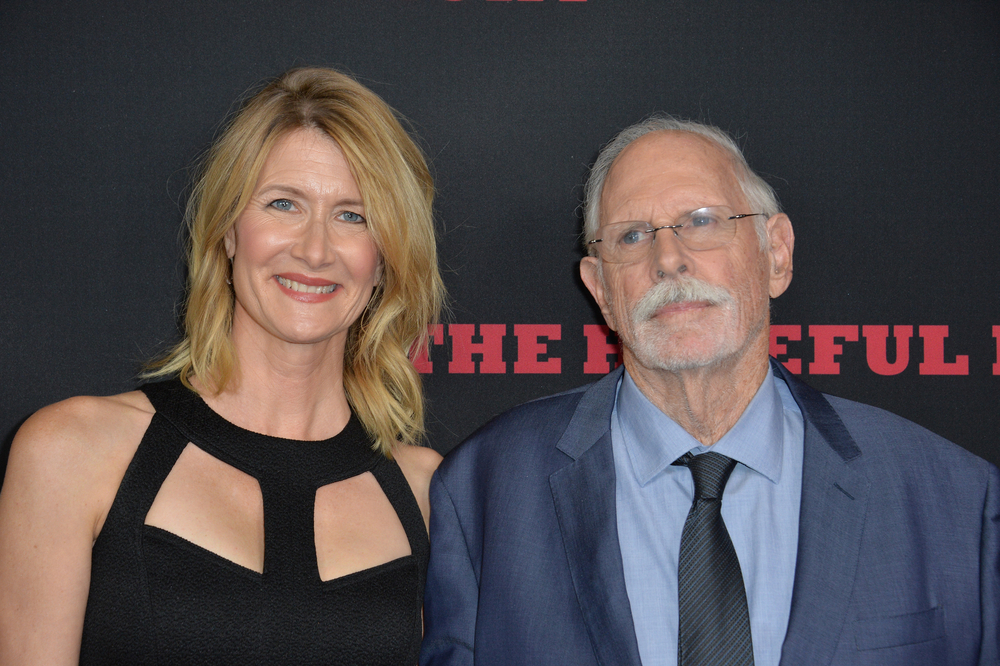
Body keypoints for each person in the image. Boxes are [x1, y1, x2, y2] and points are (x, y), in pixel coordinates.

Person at [420, 117, 999, 666]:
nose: (668, 259)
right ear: (600, 290)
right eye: (632, 235)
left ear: (776, 253)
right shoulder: (486, 491)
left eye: (702, 221)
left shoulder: (955, 502)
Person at [0, 67, 445, 665]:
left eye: (352, 216)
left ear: (385, 257)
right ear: (229, 231)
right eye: (284, 204)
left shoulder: (427, 494)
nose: (315, 250)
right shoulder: (75, 452)